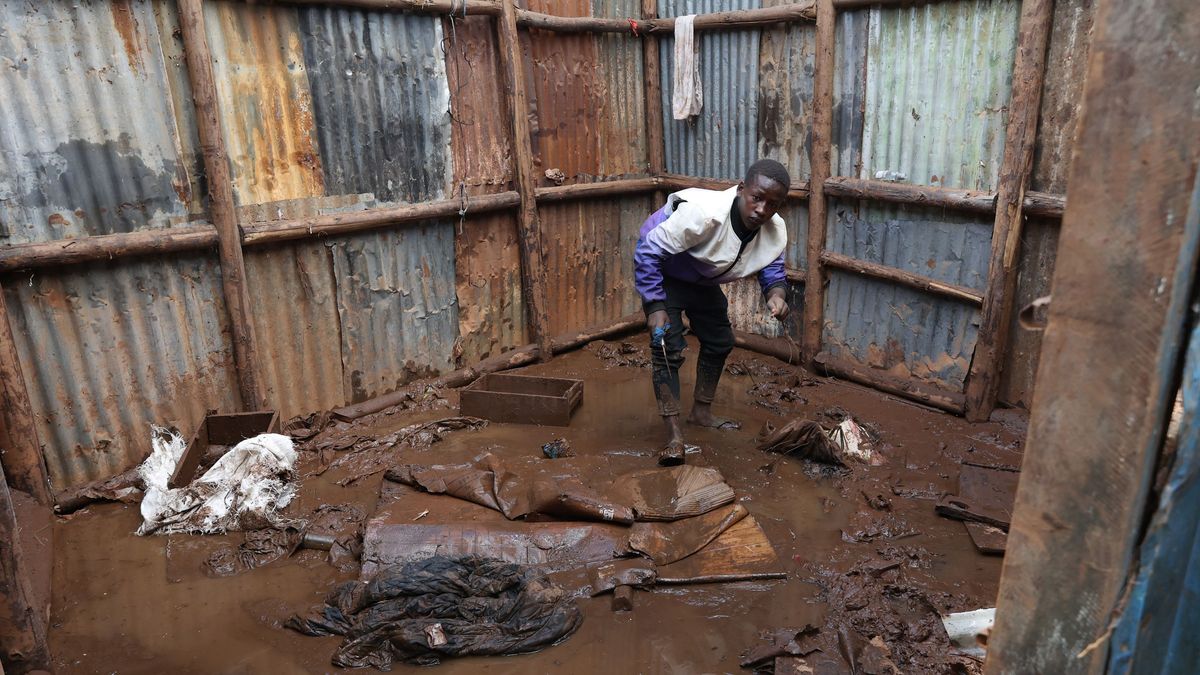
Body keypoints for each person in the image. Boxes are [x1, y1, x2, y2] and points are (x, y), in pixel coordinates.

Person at [634, 159, 791, 465]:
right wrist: (654, 305)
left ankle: (701, 412)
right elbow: (648, 251)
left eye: (772, 204)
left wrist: (777, 295)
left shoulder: (772, 229)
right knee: (667, 346)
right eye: (756, 198)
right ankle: (674, 435)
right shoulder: (703, 214)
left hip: (702, 278)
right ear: (741, 190)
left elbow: (773, 268)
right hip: (665, 268)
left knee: (720, 340)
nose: (761, 209)